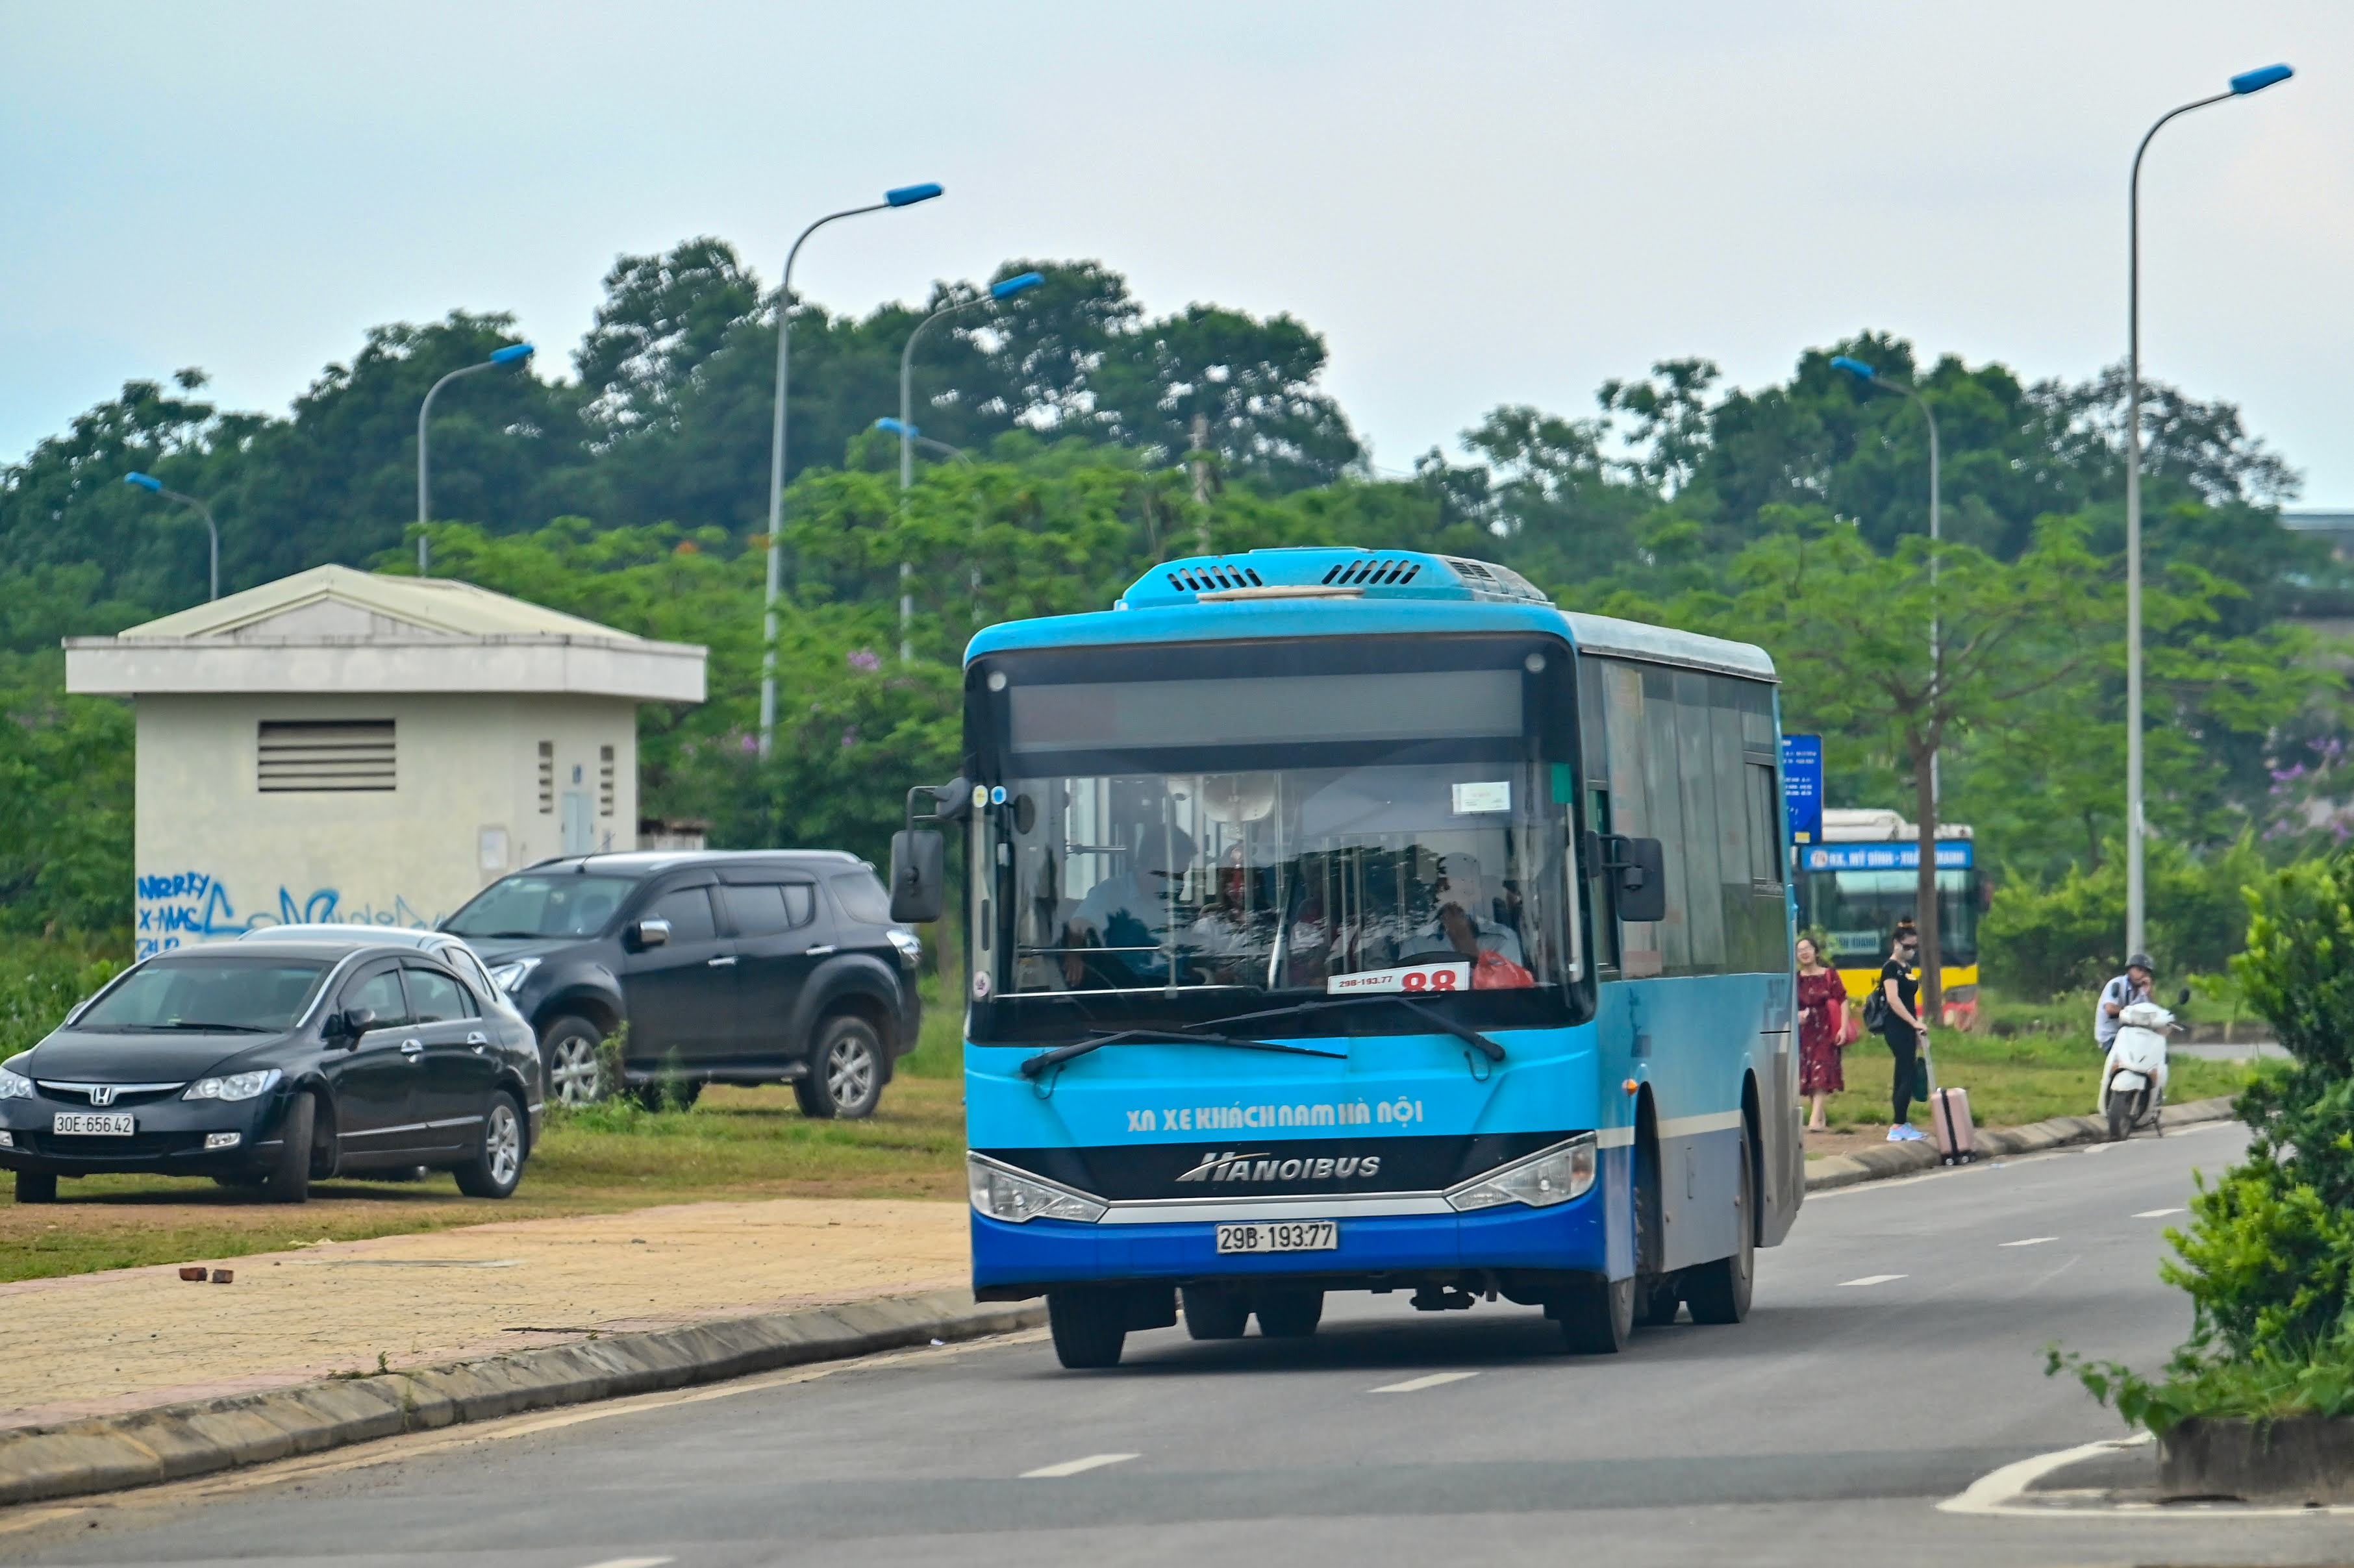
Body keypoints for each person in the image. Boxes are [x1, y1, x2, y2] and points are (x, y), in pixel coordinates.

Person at [1062, 826, 1198, 988]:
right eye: (1178, 874)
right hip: (1128, 994)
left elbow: (1182, 959)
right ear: (1156, 863)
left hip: (1175, 991)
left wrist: (1209, 977)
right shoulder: (1111, 893)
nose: (1181, 882)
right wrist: (1073, 955)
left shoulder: (1170, 904)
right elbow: (1078, 924)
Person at [1416, 852, 1527, 969]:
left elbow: (1510, 985)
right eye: (1447, 890)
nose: (1455, 900)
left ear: (1477, 894)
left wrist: (1465, 942)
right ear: (1438, 894)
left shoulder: (1502, 939)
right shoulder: (1417, 943)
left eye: (1465, 892)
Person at [1877, 922, 1929, 1142]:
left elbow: (1910, 1001)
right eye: (1907, 946)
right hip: (1896, 1027)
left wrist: (1917, 1027)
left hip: (1909, 1027)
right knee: (1907, 1074)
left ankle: (1902, 1120)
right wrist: (1913, 1023)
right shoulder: (1890, 968)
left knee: (1903, 1074)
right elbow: (1893, 1000)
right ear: (1896, 944)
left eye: (1914, 947)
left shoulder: (1907, 969)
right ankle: (1897, 1125)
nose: (1911, 951)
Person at [1796, 935, 1847, 1132]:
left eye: (1807, 948)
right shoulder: (1797, 979)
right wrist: (1797, 1015)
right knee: (1809, 1076)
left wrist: (1842, 1028)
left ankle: (1813, 1119)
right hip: (1805, 1033)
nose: (1804, 953)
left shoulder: (1829, 975)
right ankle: (1821, 1118)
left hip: (1826, 1030)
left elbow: (1843, 1000)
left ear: (1816, 951)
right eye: (1800, 951)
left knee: (1821, 1071)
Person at [2094, 952, 2156, 1054]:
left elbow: (2153, 1012)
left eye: (2146, 972)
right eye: (2139, 970)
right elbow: (2110, 1009)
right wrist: (2132, 1013)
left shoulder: (2143, 991)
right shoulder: (2117, 984)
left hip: (2131, 1035)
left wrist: (2149, 993)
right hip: (2111, 1036)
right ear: (2129, 970)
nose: (2142, 975)